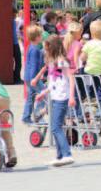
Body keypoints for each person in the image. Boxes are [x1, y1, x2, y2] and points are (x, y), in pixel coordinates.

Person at [33, 35, 76, 167]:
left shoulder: (62, 61)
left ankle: (67, 154)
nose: (45, 51)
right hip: (54, 96)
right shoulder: (52, 62)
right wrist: (43, 93)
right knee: (54, 127)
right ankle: (59, 156)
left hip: (62, 97)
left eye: (47, 48)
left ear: (53, 48)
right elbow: (53, 82)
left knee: (56, 127)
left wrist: (72, 96)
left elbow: (71, 78)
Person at [22, 26, 46, 124]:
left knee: (30, 97)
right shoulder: (35, 50)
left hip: (28, 77)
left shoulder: (31, 47)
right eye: (41, 35)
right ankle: (38, 116)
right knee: (43, 95)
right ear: (37, 37)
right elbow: (33, 65)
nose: (42, 37)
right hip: (33, 78)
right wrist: (35, 78)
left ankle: (26, 117)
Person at [12, 8, 22, 84]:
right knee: (18, 62)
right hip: (14, 44)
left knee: (17, 62)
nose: (15, 16)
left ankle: (16, 77)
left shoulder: (14, 22)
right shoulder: (12, 22)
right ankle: (17, 78)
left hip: (15, 43)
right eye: (14, 14)